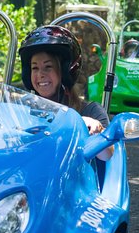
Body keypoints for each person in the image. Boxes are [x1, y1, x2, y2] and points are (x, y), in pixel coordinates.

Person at [19, 25, 113, 161]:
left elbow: (107, 155)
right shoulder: (22, 109)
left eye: (48, 67)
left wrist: (92, 129)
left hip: (73, 180)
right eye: (35, 68)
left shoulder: (90, 111)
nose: (40, 74)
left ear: (64, 70)